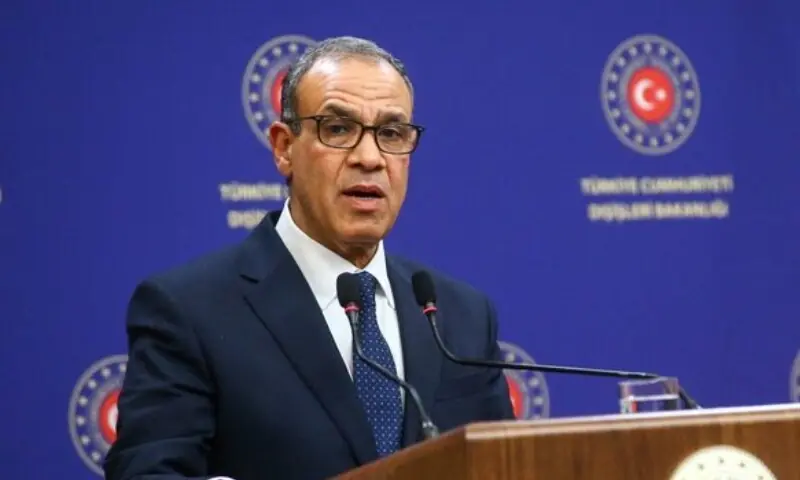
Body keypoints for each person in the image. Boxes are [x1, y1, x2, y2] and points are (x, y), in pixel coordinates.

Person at [104, 35, 515, 480]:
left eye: (391, 134)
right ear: (284, 147)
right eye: (338, 129)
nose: (370, 158)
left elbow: (502, 468)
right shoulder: (188, 310)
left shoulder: (461, 315)